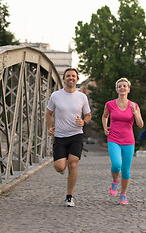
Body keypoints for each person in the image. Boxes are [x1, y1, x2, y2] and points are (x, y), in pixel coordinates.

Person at [46, 68, 91, 207]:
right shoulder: (55, 95)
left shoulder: (82, 97)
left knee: (73, 163)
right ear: (64, 78)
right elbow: (49, 113)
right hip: (60, 136)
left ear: (77, 79)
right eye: (68, 76)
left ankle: (69, 197)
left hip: (76, 135)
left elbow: (88, 115)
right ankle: (62, 166)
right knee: (60, 167)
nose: (70, 78)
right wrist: (49, 127)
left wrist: (84, 122)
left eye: (73, 76)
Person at [102, 77, 143, 205]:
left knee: (125, 170)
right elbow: (104, 116)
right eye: (120, 86)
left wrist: (135, 111)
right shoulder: (110, 104)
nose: (122, 88)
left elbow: (140, 124)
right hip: (113, 138)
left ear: (128, 89)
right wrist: (105, 128)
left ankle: (123, 194)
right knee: (116, 164)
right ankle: (115, 181)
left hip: (128, 141)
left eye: (125, 86)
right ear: (116, 89)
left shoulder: (134, 106)